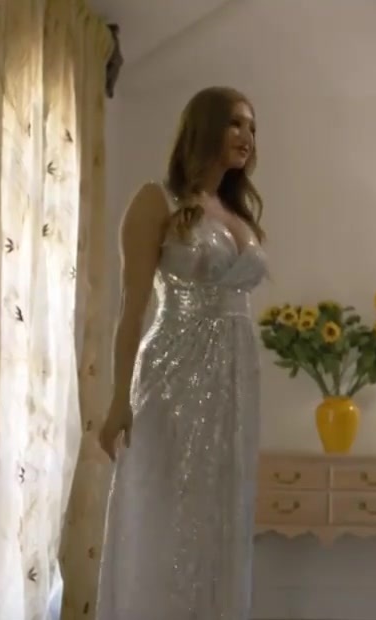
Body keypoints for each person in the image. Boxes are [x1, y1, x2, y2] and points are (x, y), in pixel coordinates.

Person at [95, 86, 270, 620]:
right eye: (235, 123)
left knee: (220, 512)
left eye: (252, 127)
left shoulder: (236, 211)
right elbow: (132, 308)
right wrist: (118, 400)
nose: (246, 136)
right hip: (174, 369)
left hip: (235, 378)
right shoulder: (158, 200)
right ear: (206, 126)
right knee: (167, 508)